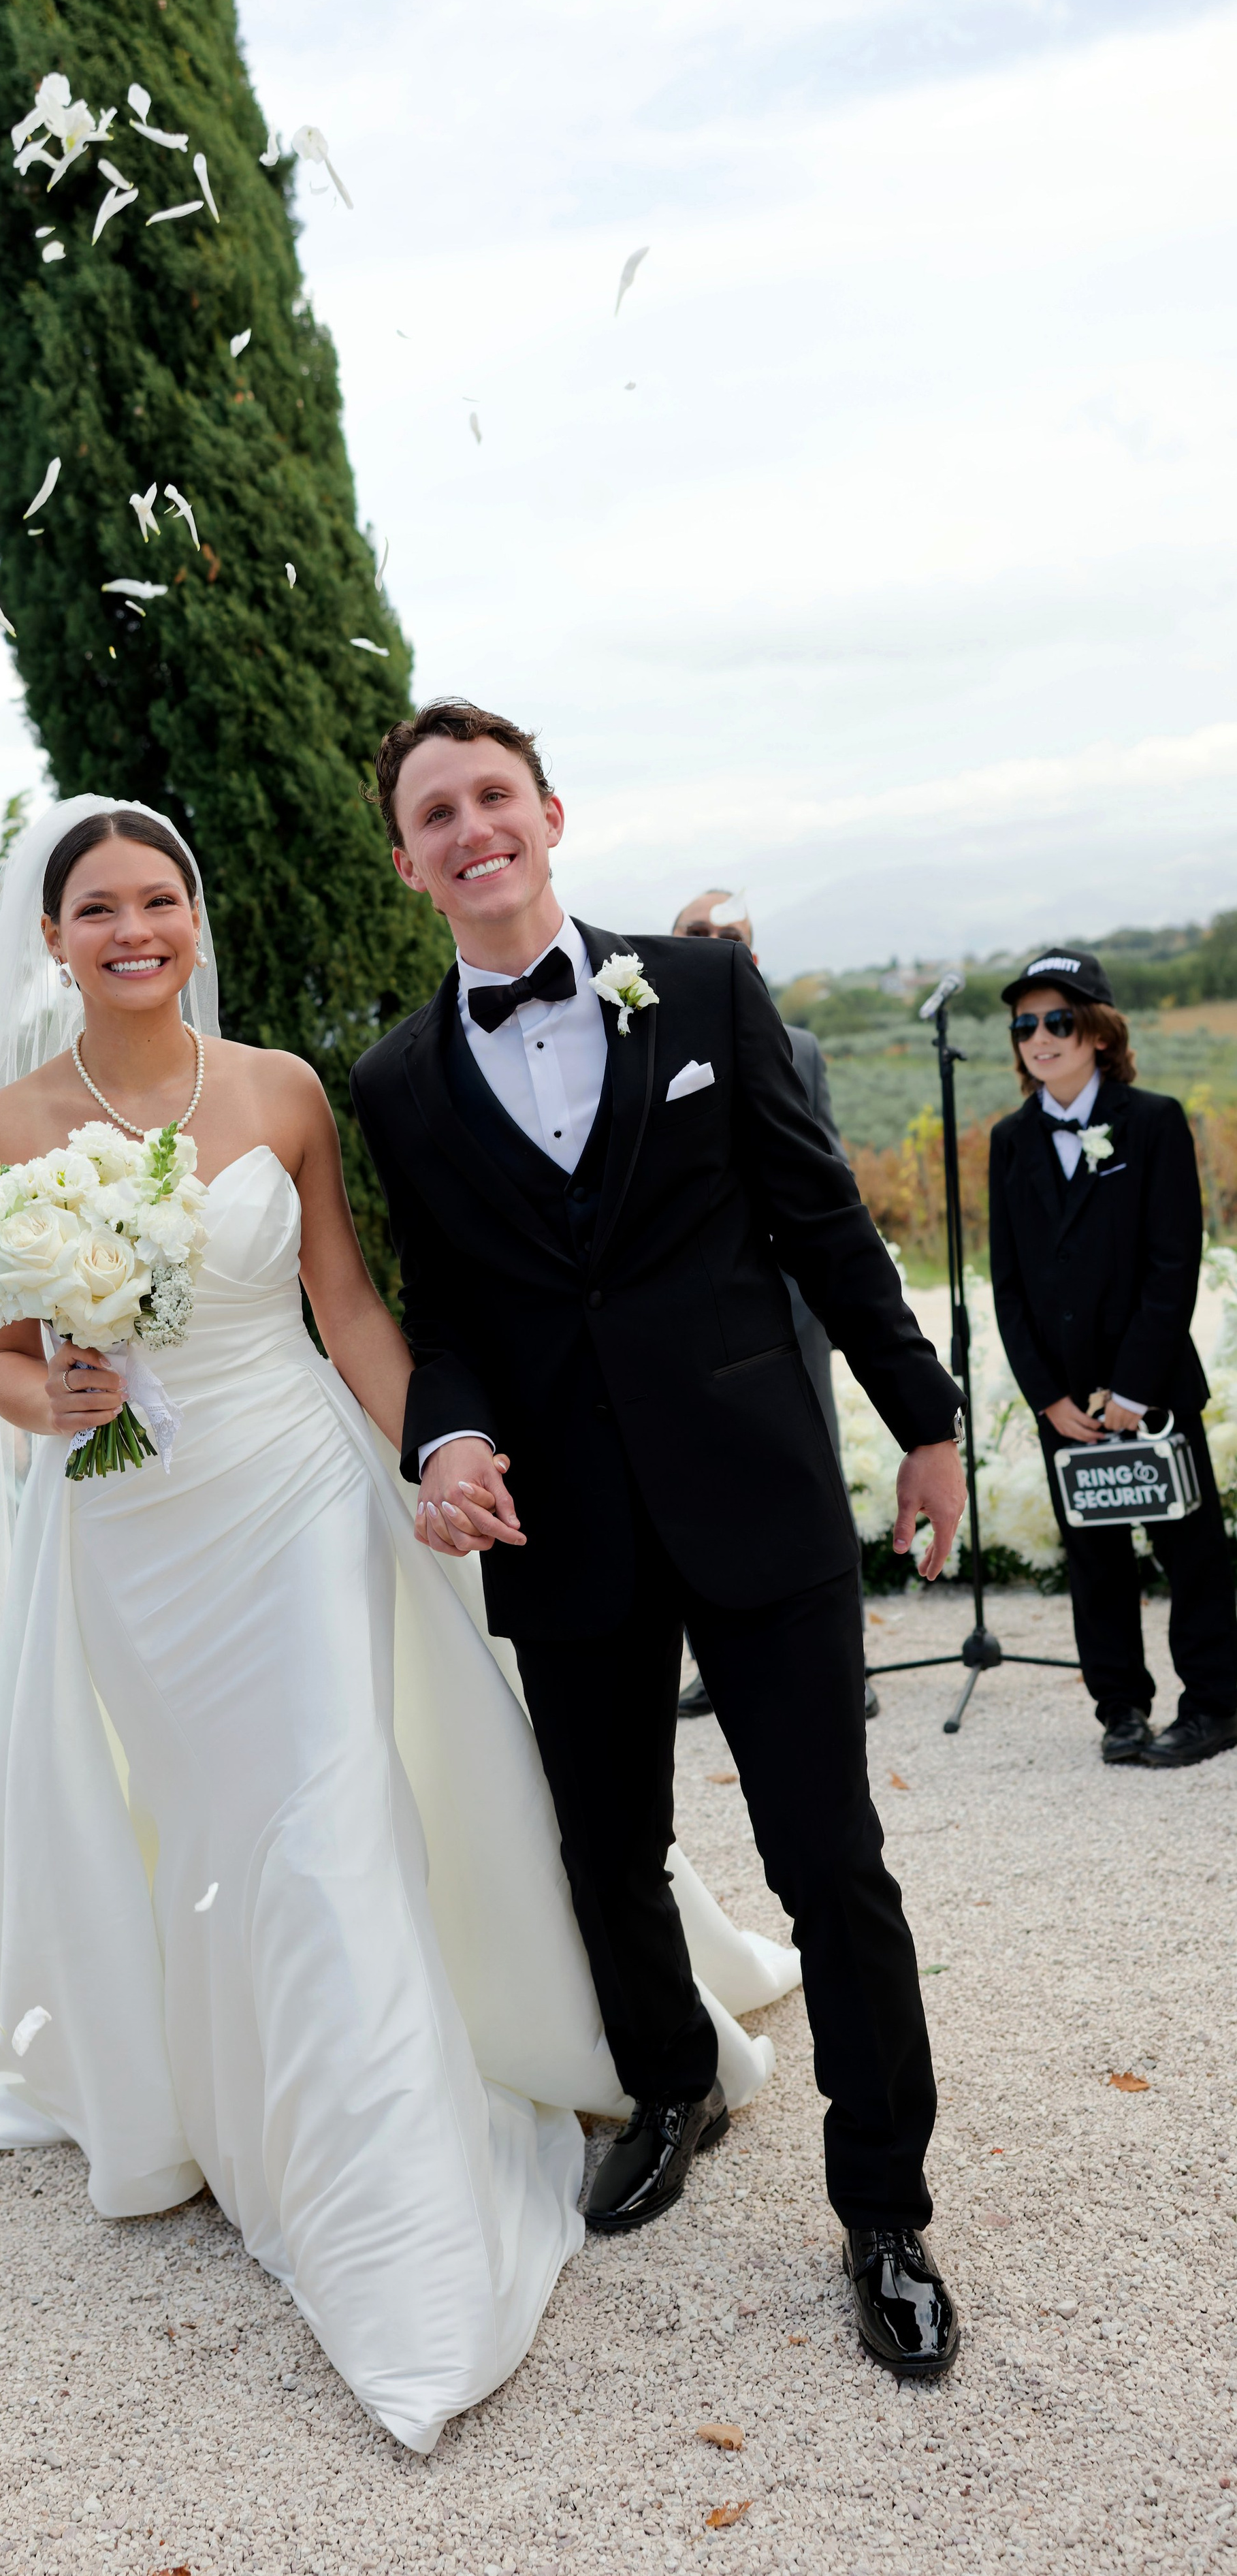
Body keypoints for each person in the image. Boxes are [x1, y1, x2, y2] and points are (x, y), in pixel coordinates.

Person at [0, 795, 806, 2456]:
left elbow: (350, 1303)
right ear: (52, 937)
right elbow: (0, 1361)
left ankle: (391, 2226)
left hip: (298, 1494)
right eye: (97, 907)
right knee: (219, 1833)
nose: (133, 927)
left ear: (190, 913)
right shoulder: (1, 1130)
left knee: (322, 1816)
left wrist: (434, 1453)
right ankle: (243, 2102)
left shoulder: (283, 1092)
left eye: (158, 895)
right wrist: (55, 1386)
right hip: (131, 1525)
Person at [350, 701, 969, 2381]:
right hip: (564, 1522)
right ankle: (667, 2088)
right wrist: (443, 1424)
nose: (471, 826)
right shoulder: (395, 1082)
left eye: (493, 794)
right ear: (407, 861)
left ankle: (882, 2208)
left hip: (753, 1494)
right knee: (600, 1848)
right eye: (435, 812)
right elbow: (444, 1307)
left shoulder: (695, 990)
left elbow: (816, 1213)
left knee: (828, 1856)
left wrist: (924, 1424)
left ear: (547, 813)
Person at [989, 947, 1236, 1770]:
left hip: (1150, 1390)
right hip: (1067, 1404)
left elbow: (1174, 1264)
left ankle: (1214, 1703)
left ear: (1096, 1031)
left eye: (1057, 1020)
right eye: (1025, 1025)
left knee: (1189, 1553)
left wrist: (1130, 1389)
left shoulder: (1154, 1121)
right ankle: (1120, 1707)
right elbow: (1010, 1285)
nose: (1039, 1037)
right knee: (1095, 1561)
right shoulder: (1010, 1141)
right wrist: (1048, 1397)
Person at [669, 890, 878, 1723]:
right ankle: (715, 1665)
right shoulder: (638, 1046)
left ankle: (844, 1666)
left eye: (734, 938)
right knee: (695, 1493)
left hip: (788, 1317)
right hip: (687, 1322)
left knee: (815, 1483)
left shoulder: (800, 1048)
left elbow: (826, 1184)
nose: (717, 946)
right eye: (699, 936)